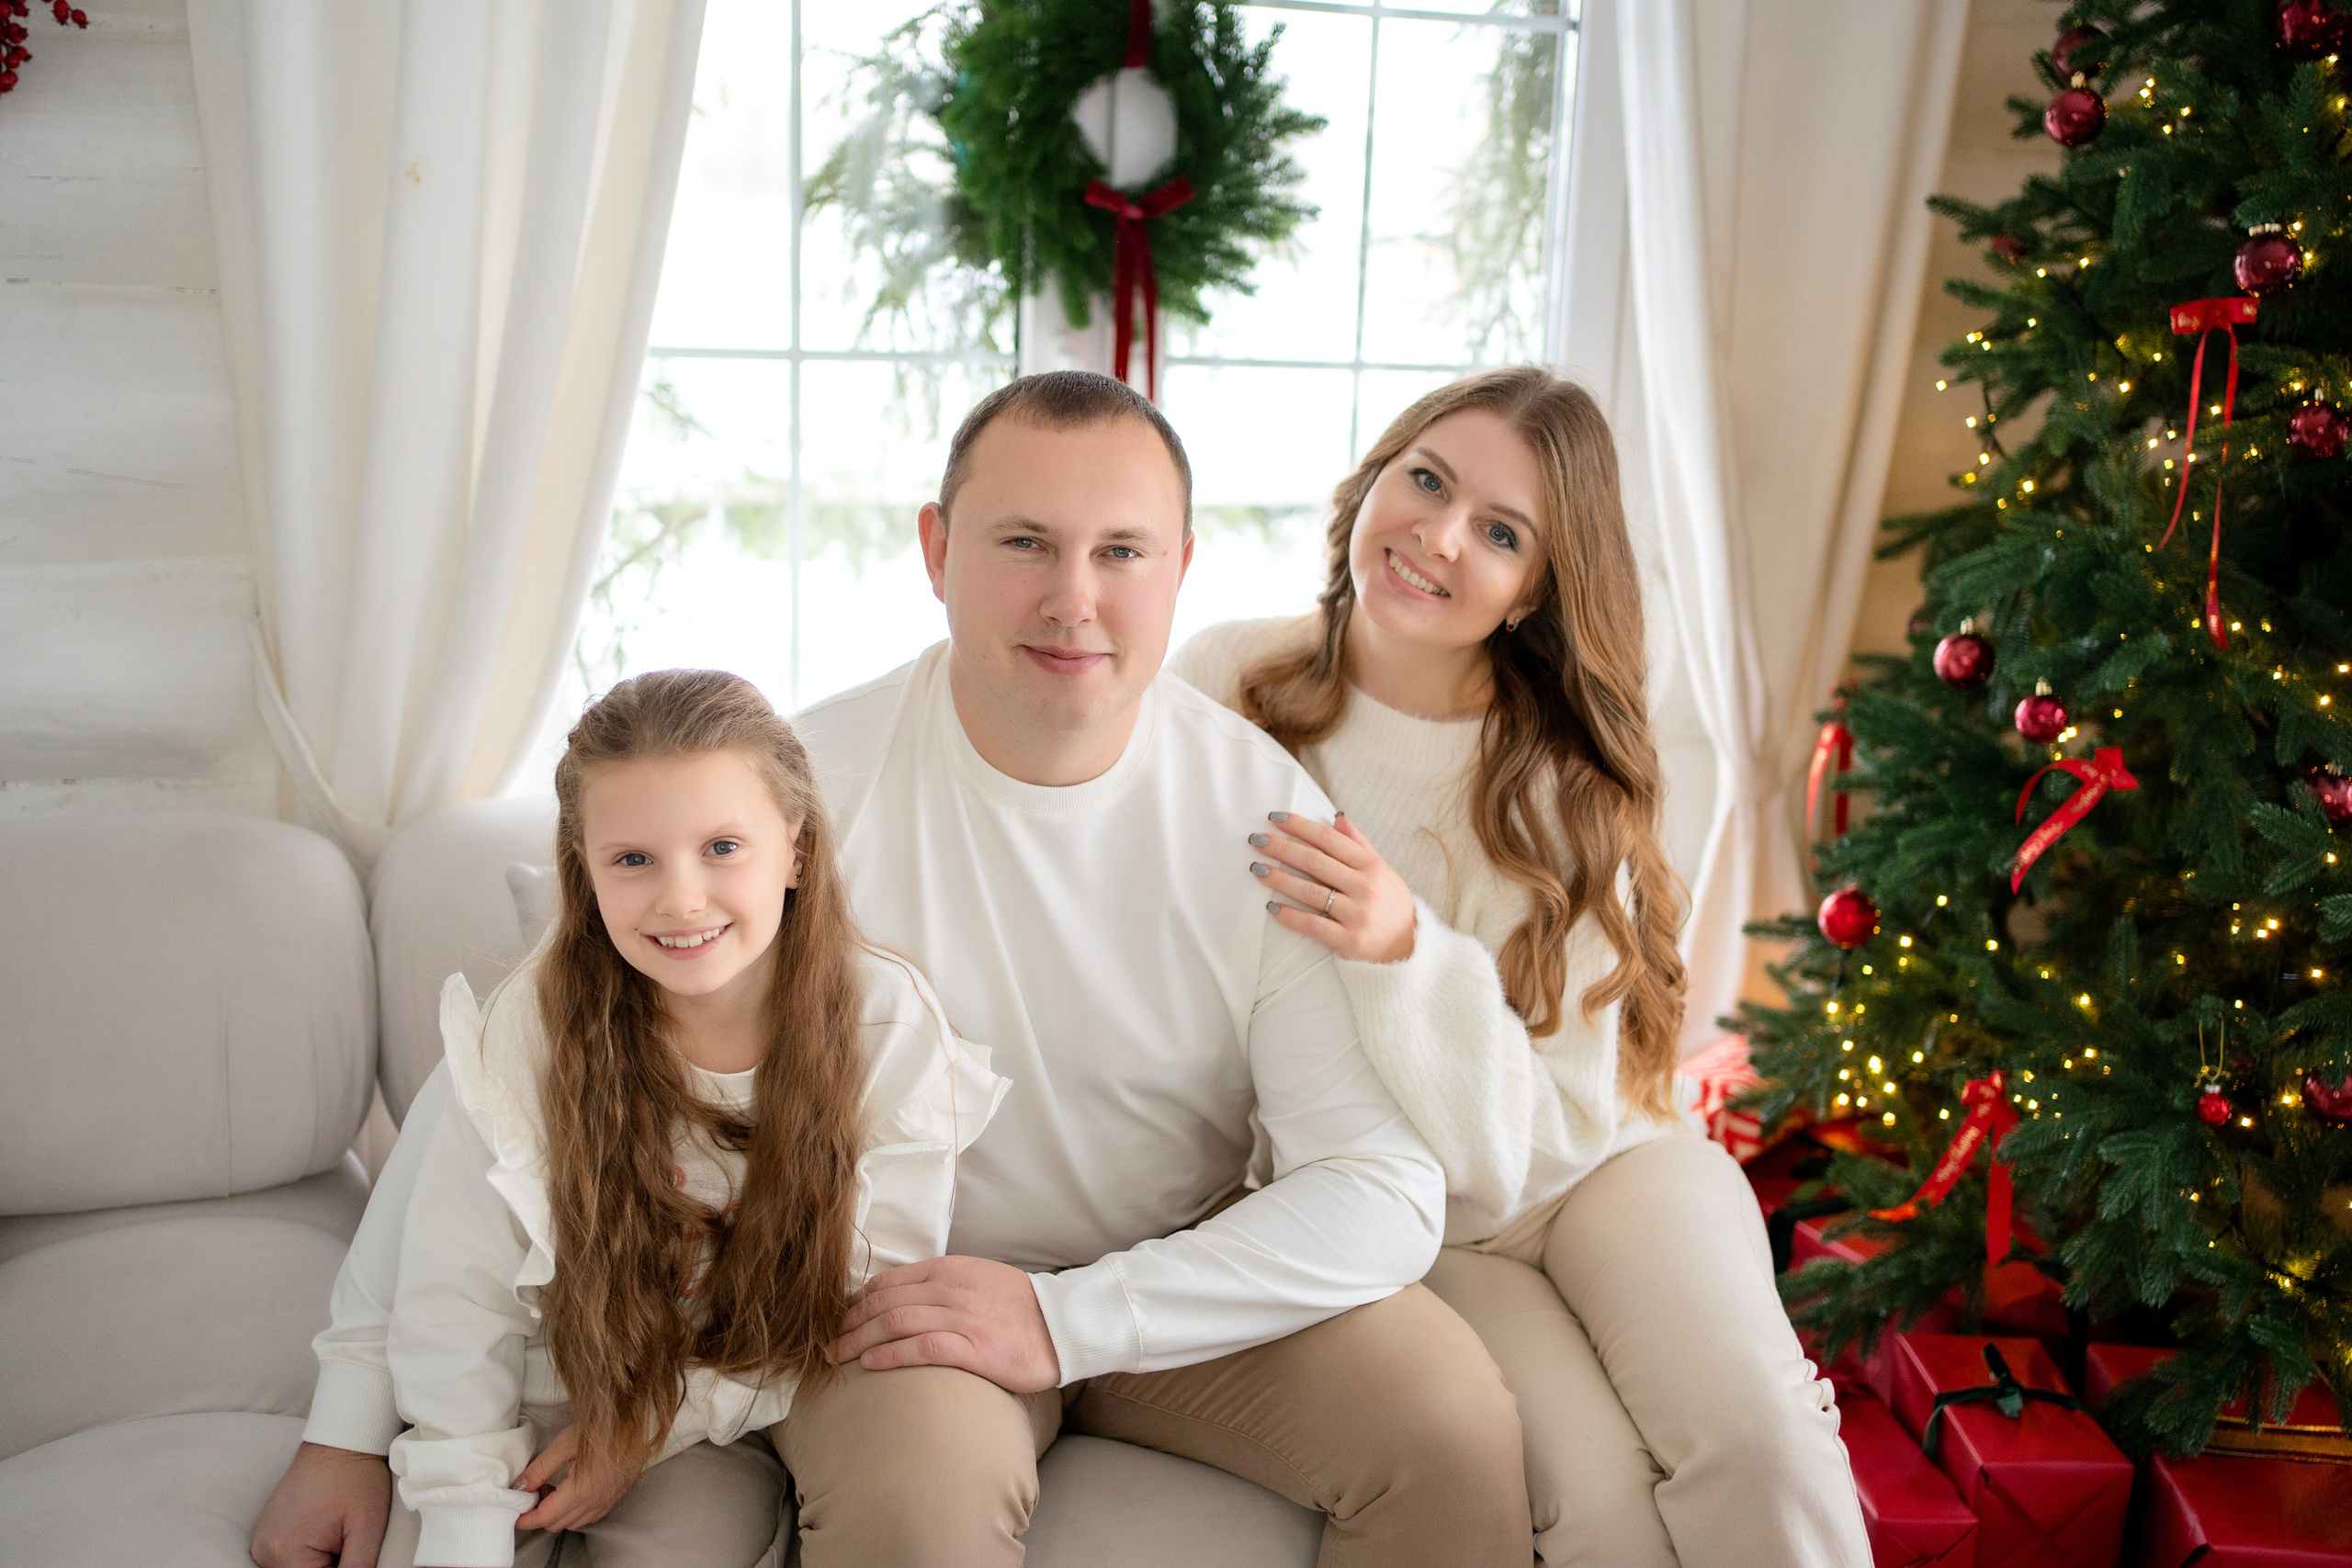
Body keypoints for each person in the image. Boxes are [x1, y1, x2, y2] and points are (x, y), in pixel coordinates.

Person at [253, 370, 1532, 1568]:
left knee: (1452, 1432)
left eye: (1121, 552)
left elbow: (1379, 1186)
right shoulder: (799, 798)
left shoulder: (1264, 818)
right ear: (936, 551)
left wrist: (1071, 1316)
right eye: (1023, 542)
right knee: (920, 1502)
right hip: (877, 1300)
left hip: (1177, 1266)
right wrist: (346, 1427)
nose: (1072, 597)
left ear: (1181, 568)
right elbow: (503, 1075)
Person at [1171, 367, 1872, 1568]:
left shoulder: (1559, 782)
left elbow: (1547, 1134)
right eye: (1425, 480)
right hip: (1420, 1213)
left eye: (1500, 533)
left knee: (1760, 1445)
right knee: (1598, 1509)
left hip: (1599, 1162)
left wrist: (1405, 950)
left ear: (1535, 590)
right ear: (1372, 480)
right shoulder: (1226, 684)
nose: (1439, 537)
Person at [373, 670, 1002, 1568]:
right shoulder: (533, 1023)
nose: (681, 899)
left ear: (795, 848)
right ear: (584, 870)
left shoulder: (885, 1026)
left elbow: (854, 1305)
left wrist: (642, 1430)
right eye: (632, 860)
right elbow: (456, 1291)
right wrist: (464, 1507)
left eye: (722, 847)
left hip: (710, 1414)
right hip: (519, 1387)